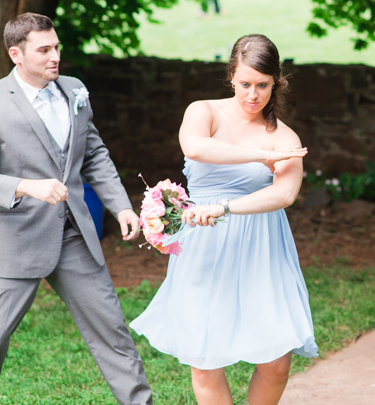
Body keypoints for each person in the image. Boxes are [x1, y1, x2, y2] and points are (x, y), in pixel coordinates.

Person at [0, 13, 152, 405]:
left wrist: (121, 207)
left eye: (57, 47)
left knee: (113, 332)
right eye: (44, 49)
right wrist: (26, 186)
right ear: (16, 54)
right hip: (15, 240)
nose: (55, 57)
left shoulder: (75, 90)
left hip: (75, 237)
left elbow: (94, 153)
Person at [130, 34, 318, 405]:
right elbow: (196, 147)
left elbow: (284, 194)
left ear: (276, 83)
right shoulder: (204, 111)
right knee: (204, 362)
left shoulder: (285, 137)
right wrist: (260, 154)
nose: (253, 94)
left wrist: (226, 208)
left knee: (277, 363)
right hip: (206, 246)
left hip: (263, 247)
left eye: (263, 85)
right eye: (245, 83)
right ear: (232, 75)